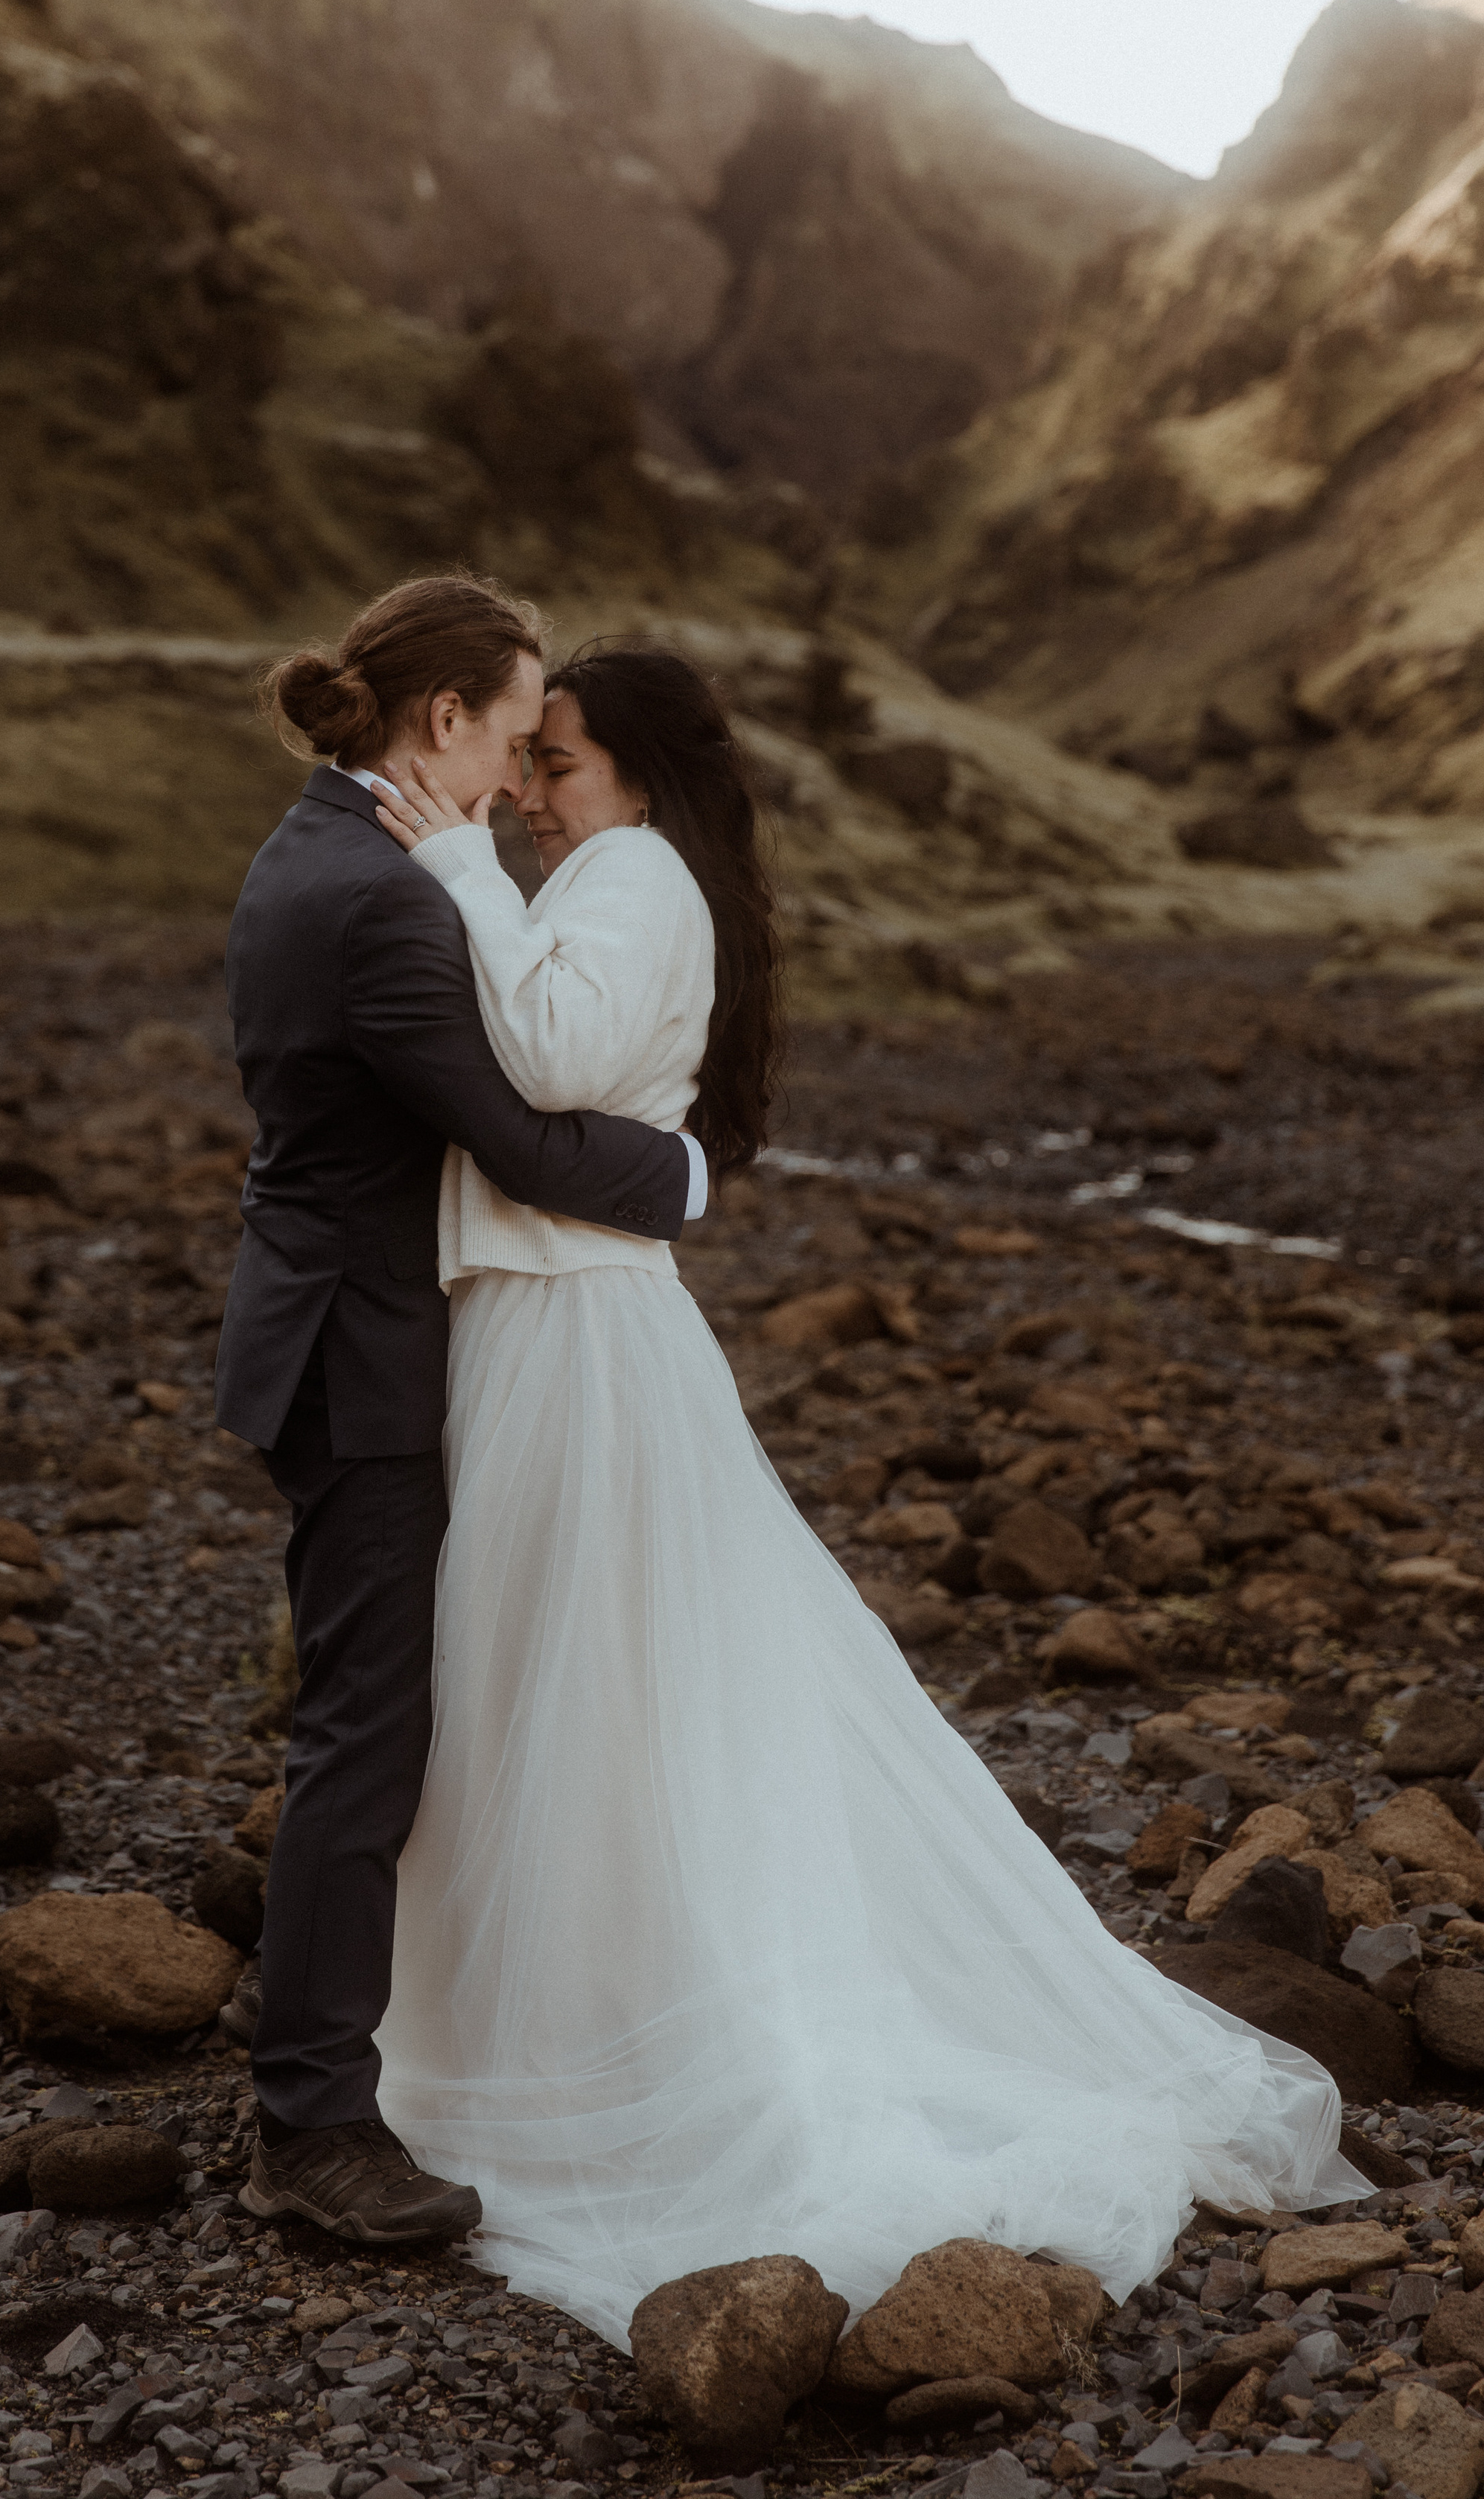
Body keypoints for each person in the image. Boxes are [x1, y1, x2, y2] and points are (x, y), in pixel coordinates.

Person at [367, 635, 1372, 2351]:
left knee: (568, 1676)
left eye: (564, 762)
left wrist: (456, 859)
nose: (534, 794)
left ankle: (583, 2042)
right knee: (562, 1677)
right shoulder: (629, 869)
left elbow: (536, 1062)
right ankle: (538, 2016)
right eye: (526, 767)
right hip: (553, 1318)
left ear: (639, 778)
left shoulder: (632, 876)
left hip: (579, 1339)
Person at [212, 576, 707, 2247]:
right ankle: (313, 2133)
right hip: (357, 1359)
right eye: (507, 736)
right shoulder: (383, 901)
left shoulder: (314, 844)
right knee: (364, 1742)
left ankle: (363, 2067)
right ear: (442, 722)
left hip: (321, 1327)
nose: (511, 779)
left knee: (369, 1725)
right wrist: (691, 1172)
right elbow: (518, 1138)